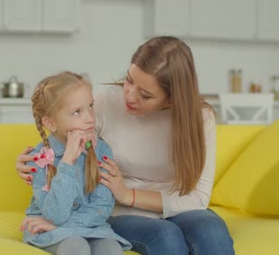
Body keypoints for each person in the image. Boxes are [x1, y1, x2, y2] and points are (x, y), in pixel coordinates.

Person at [18, 37, 235, 255]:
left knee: (212, 234)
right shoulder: (102, 102)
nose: (129, 96)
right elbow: (59, 133)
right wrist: (33, 161)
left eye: (146, 95)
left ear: (172, 100)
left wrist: (128, 194)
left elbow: (197, 198)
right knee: (166, 236)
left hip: (177, 206)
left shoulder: (200, 118)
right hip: (119, 211)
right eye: (130, 80)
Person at [20, 71, 131, 255]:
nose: (89, 118)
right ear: (51, 123)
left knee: (111, 249)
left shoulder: (102, 150)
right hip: (47, 229)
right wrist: (67, 162)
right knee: (75, 246)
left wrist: (63, 226)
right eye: (77, 112)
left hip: (90, 226)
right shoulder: (40, 159)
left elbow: (101, 208)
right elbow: (54, 215)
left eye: (90, 107)